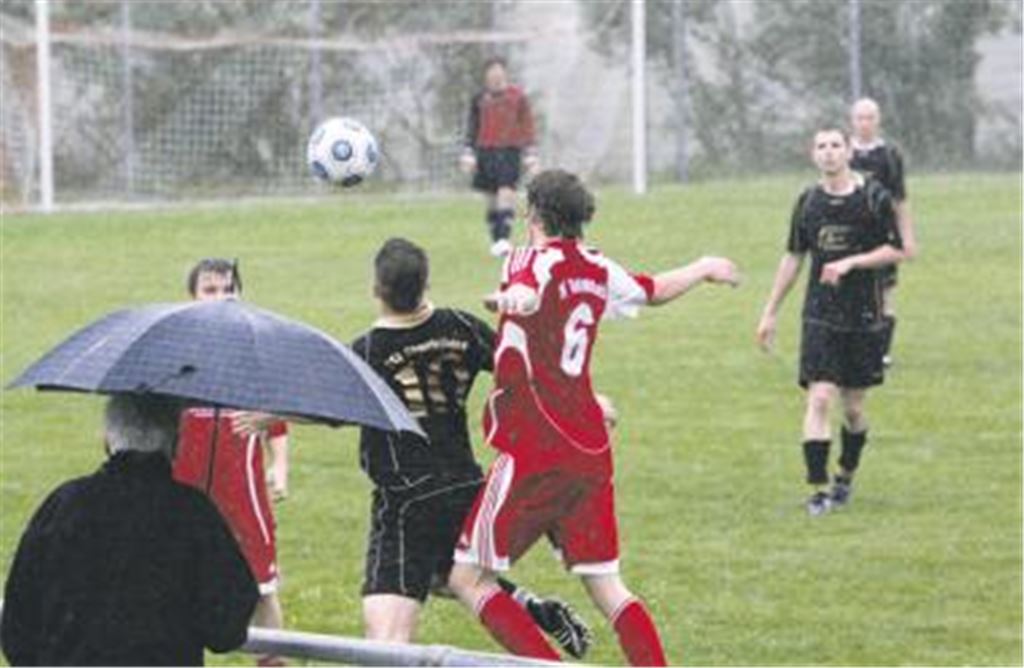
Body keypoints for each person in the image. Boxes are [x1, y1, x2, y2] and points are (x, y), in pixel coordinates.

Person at [447, 169, 740, 664]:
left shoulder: (527, 260)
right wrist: (704, 266)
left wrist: (513, 299)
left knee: (468, 578)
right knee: (607, 585)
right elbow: (653, 289)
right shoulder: (599, 268)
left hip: (534, 450)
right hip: (589, 448)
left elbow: (529, 290)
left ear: (533, 214)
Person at [348, 237, 592, 658]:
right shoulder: (460, 327)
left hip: (407, 498)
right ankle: (532, 608)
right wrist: (583, 403)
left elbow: (325, 408)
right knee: (451, 575)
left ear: (377, 290)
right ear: (426, 284)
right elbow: (521, 368)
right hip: (465, 485)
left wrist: (265, 418)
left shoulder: (367, 352)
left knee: (385, 639)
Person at [1, 394, 258, 666]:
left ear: (106, 441)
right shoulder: (193, 514)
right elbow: (226, 630)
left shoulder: (62, 505)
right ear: (176, 442)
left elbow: (18, 627)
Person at [756, 128, 904, 516]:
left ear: (849, 151)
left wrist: (852, 261)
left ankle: (845, 475)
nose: (829, 153)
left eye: (835, 145)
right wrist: (770, 311)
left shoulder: (873, 198)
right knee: (820, 398)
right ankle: (818, 489)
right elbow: (793, 257)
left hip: (864, 315)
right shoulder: (807, 202)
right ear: (813, 155)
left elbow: (895, 248)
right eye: (821, 147)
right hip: (820, 314)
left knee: (853, 409)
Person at [173, 258, 291, 667]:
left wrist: (280, 467)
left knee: (261, 585)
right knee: (175, 581)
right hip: (184, 486)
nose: (221, 297)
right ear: (192, 297)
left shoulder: (255, 347)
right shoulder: (175, 350)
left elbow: (276, 417)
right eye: (210, 289)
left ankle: (273, 661)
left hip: (242, 489)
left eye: (228, 288)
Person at [849, 97, 917, 366]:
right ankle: (854, 349)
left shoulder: (889, 155)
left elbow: (900, 199)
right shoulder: (844, 152)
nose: (865, 123)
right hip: (851, 235)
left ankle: (881, 353)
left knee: (884, 293)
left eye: (870, 117)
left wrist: (907, 237)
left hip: (881, 236)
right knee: (851, 293)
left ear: (879, 121)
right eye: (860, 118)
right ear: (852, 121)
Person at [460, 56, 538, 258]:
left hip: (510, 151)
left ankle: (504, 238)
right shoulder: (479, 99)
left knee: (506, 193)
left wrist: (530, 153)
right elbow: (472, 127)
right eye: (491, 72)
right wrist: (468, 152)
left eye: (498, 71)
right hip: (485, 152)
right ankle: (497, 240)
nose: (495, 75)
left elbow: (527, 125)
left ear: (504, 73)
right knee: (491, 200)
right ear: (486, 76)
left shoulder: (517, 97)